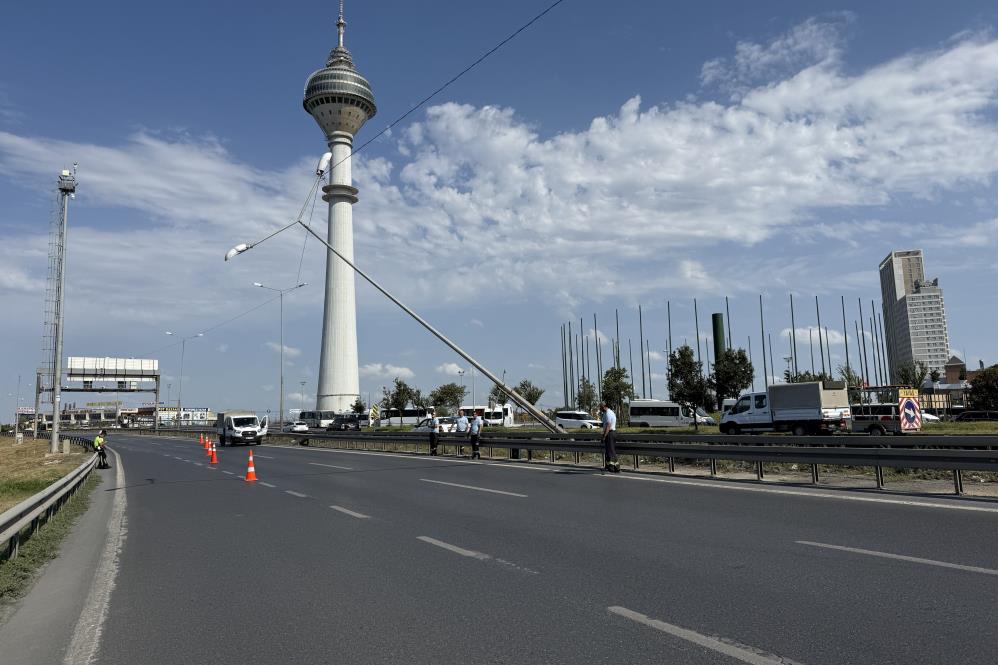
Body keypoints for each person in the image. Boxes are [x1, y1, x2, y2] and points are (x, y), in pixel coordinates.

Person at [599, 402, 619, 473]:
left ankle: (614, 467)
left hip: (610, 433)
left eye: (600, 407)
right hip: (609, 433)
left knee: (611, 451)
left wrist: (604, 436)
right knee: (608, 451)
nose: (600, 409)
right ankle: (609, 466)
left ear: (604, 406)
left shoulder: (608, 413)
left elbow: (608, 425)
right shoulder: (605, 413)